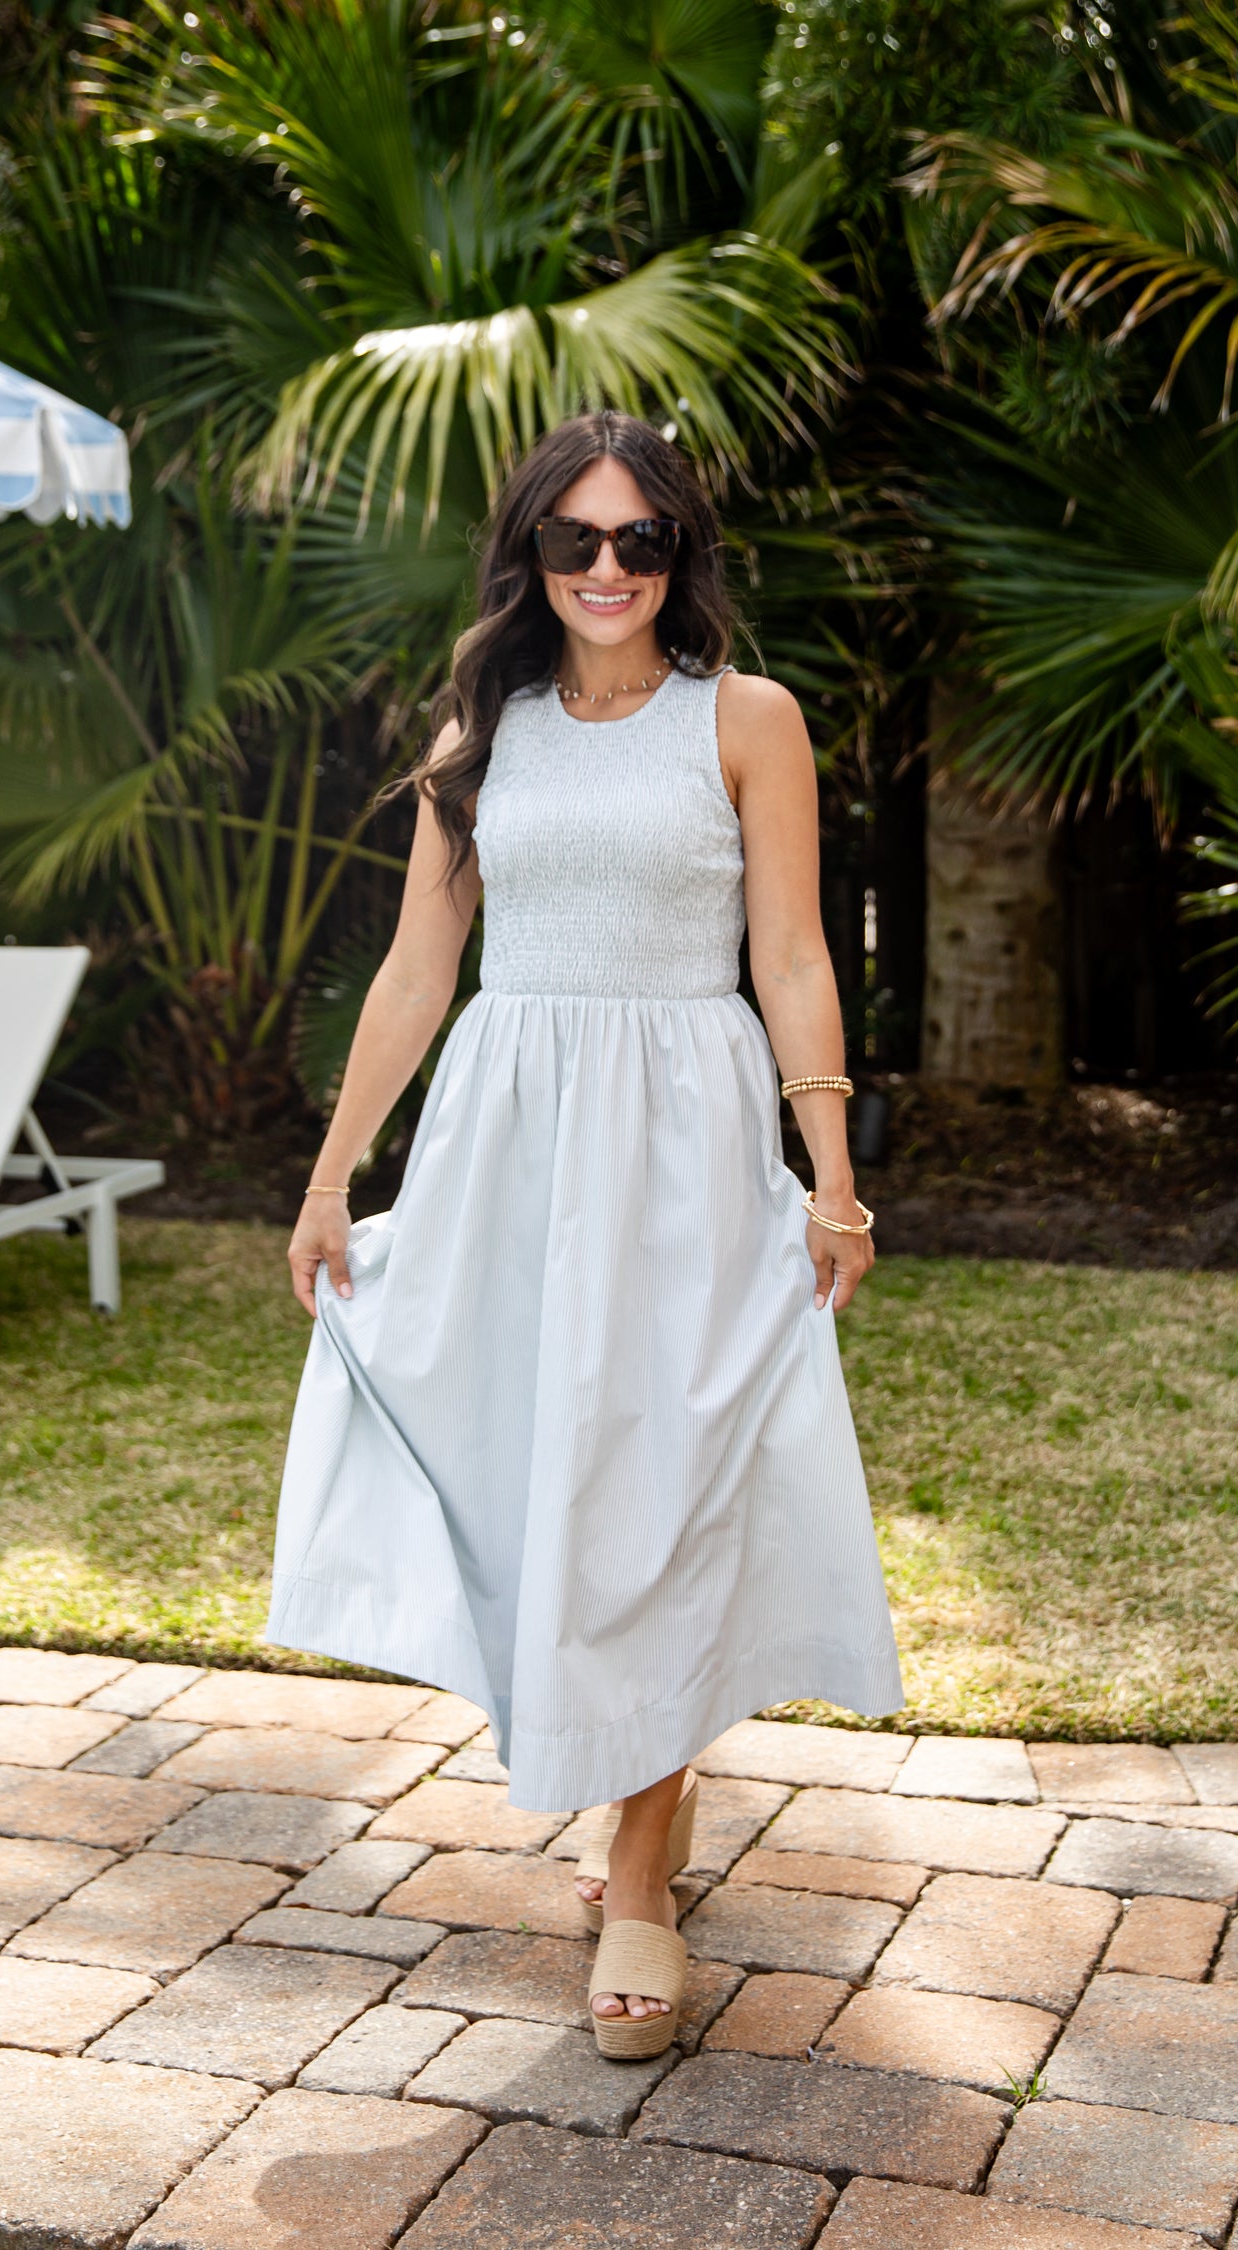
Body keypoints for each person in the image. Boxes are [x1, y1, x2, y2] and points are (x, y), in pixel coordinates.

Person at [273, 410, 902, 2060]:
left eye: (640, 539)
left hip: (684, 1139)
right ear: (530, 553)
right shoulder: (482, 731)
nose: (608, 568)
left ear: (681, 553)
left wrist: (831, 1170)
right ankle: (627, 1768)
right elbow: (418, 971)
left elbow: (791, 954)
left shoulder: (747, 719)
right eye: (575, 539)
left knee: (665, 1483)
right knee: (537, 1467)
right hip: (513, 1145)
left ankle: (638, 1861)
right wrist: (333, 1177)